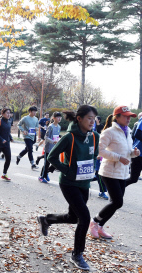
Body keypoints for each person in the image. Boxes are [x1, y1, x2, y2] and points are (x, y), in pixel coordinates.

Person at [38, 105, 100, 271]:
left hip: (84, 183)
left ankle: (47, 220)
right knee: (85, 218)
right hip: (68, 183)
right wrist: (67, 170)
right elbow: (51, 156)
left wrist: (92, 169)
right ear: (79, 119)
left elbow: (94, 156)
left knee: (74, 218)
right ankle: (77, 254)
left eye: (94, 119)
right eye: (89, 118)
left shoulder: (95, 136)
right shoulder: (69, 137)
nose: (92, 122)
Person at [89, 106, 140, 240]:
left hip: (122, 172)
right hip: (109, 171)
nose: (129, 119)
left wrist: (134, 154)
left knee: (116, 203)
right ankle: (94, 222)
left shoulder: (128, 132)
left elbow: (127, 152)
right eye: (126, 116)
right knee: (117, 202)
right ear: (117, 117)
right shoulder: (109, 132)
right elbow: (99, 151)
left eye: (130, 116)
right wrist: (118, 157)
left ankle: (100, 226)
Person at [39, 112, 62, 183]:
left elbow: (57, 136)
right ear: (53, 118)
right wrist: (52, 141)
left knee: (56, 163)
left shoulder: (59, 127)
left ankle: (46, 173)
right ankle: (41, 177)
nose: (59, 118)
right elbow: (46, 137)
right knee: (47, 164)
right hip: (48, 148)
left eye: (60, 117)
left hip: (55, 148)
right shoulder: (50, 126)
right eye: (58, 117)